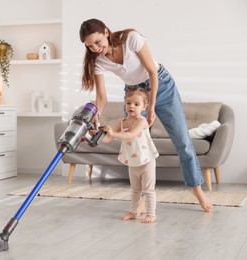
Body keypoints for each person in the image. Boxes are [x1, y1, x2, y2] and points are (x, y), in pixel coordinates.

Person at [79, 18, 212, 212]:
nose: (96, 49)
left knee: (182, 141)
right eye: (90, 46)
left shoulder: (131, 39)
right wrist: (96, 114)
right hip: (133, 93)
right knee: (134, 144)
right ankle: (142, 197)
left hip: (161, 86)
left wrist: (151, 107)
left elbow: (152, 72)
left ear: (106, 32)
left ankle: (196, 188)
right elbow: (101, 97)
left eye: (98, 42)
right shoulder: (98, 61)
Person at [102, 86, 159, 223]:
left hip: (146, 161)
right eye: (128, 103)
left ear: (144, 107)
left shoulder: (142, 121)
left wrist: (114, 133)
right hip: (133, 162)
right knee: (135, 190)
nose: (131, 106)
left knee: (149, 190)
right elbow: (107, 140)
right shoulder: (121, 122)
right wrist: (96, 135)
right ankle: (133, 212)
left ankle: (151, 214)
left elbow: (132, 135)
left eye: (136, 104)